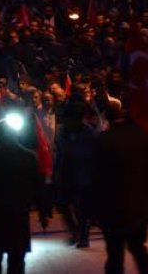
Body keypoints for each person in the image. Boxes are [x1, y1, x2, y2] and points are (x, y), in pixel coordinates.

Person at [0, 110, 42, 274]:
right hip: (18, 213)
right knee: (17, 259)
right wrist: (41, 208)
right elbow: (37, 185)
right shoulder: (28, 157)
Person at [94, 98, 148, 274]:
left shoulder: (103, 140)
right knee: (139, 250)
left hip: (111, 207)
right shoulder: (140, 136)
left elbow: (97, 177)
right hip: (137, 204)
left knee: (114, 255)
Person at [54, 99, 97, 248]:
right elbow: (59, 152)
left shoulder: (87, 131)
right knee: (64, 205)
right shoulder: (63, 130)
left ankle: (83, 236)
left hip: (83, 174)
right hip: (67, 172)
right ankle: (74, 231)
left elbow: (92, 153)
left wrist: (74, 154)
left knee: (83, 209)